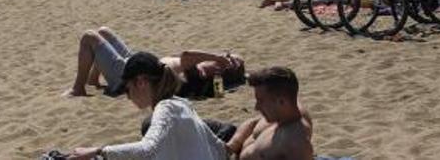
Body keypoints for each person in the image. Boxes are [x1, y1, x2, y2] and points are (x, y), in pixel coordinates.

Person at [66, 52, 227, 159]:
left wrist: (97, 151)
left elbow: (147, 149)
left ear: (141, 82)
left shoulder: (166, 108)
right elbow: (220, 149)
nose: (128, 97)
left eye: (128, 90)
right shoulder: (183, 104)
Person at [66, 28, 245, 99]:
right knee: (103, 31)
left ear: (226, 68)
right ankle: (93, 81)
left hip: (129, 74)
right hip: (137, 62)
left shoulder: (202, 75)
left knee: (89, 37)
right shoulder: (205, 70)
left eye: (230, 58)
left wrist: (218, 60)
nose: (225, 55)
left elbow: (186, 55)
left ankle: (78, 88)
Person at [226, 67, 314, 160]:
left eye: (261, 101)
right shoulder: (278, 115)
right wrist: (231, 146)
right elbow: (252, 123)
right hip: (231, 140)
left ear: (282, 102)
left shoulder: (295, 142)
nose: (256, 107)